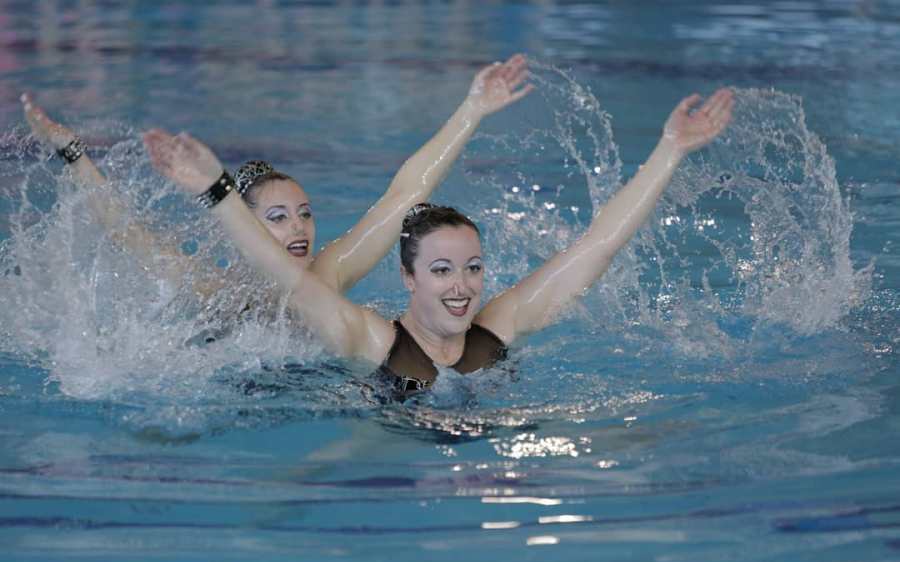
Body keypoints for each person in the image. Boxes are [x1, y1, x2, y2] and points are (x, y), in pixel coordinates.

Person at [146, 87, 734, 398]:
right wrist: (217, 191)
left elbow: (597, 246)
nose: (462, 286)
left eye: (473, 268)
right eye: (443, 270)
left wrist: (670, 152)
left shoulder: (497, 327)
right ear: (408, 278)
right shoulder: (368, 336)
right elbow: (290, 282)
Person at [21, 54, 533, 302]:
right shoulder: (213, 293)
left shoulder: (330, 275)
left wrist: (472, 109)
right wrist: (72, 154)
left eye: (306, 214)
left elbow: (406, 194)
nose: (300, 228)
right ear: (243, 225)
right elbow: (127, 233)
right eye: (279, 218)